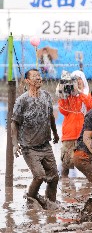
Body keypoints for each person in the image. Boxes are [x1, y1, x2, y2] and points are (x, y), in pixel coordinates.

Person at [11, 69, 60, 207]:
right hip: (29, 146)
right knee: (39, 176)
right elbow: (14, 123)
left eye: (39, 76)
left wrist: (55, 133)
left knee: (54, 177)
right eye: (34, 76)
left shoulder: (46, 96)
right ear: (27, 81)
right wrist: (15, 144)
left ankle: (50, 203)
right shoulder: (22, 100)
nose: (38, 78)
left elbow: (50, 117)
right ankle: (30, 200)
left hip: (45, 145)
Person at [57, 70, 92, 178]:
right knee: (66, 163)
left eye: (79, 79)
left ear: (83, 81)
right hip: (69, 134)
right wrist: (63, 95)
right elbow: (63, 110)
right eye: (75, 80)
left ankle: (87, 188)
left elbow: (91, 107)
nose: (78, 82)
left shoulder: (88, 95)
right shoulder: (69, 97)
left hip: (85, 135)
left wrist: (80, 92)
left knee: (87, 162)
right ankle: (65, 186)